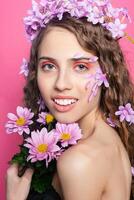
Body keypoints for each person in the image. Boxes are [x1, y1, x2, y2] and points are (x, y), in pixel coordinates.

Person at [6, 0, 134, 199]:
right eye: (49, 66)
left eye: (81, 67)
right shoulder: (107, 139)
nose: (61, 84)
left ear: (107, 73)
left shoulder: (78, 162)